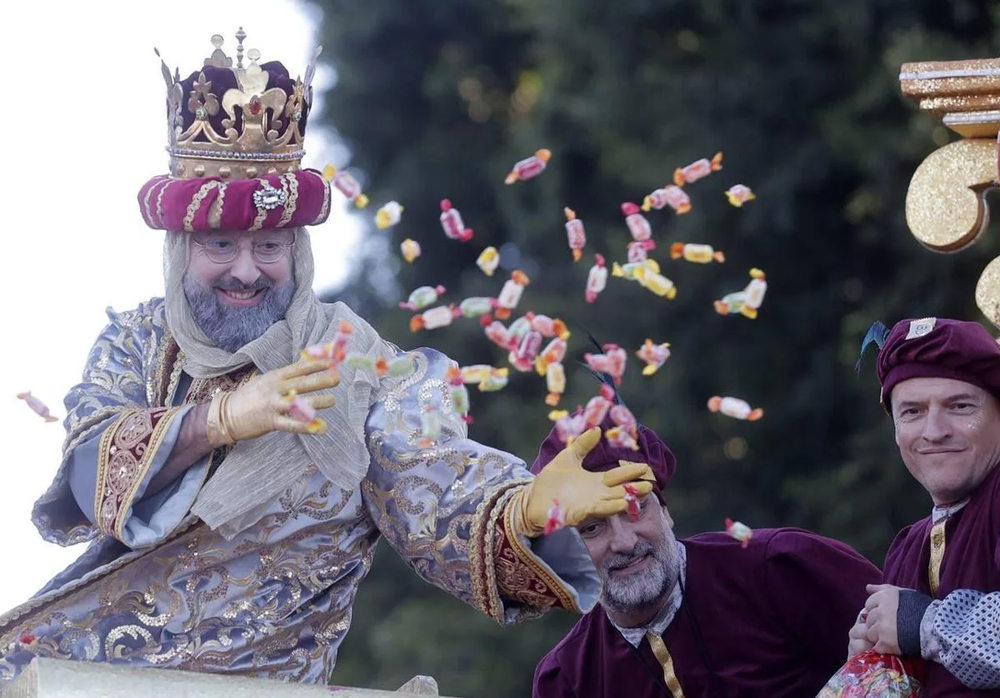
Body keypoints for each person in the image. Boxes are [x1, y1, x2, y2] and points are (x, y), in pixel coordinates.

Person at [0, 32, 653, 683]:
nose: (247, 272)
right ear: (180, 251)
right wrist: (222, 419)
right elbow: (88, 486)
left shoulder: (365, 369)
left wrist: (524, 510)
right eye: (220, 245)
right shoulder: (138, 342)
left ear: (299, 252)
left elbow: (437, 482)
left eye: (270, 247)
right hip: (87, 679)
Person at [532, 413, 882, 698]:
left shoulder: (782, 568)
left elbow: (916, 663)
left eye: (635, 509)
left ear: (665, 511)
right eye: (592, 528)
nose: (623, 542)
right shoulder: (567, 681)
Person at [849, 317, 1000, 694]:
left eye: (960, 406)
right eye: (912, 411)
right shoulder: (907, 545)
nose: (934, 431)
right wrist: (871, 664)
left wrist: (926, 624)